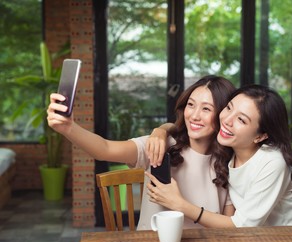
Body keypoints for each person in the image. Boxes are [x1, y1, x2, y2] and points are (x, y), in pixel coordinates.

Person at [47, 75, 236, 230]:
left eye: (206, 109)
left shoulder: (230, 162)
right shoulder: (160, 146)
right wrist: (69, 128)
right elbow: (104, 149)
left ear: (222, 115)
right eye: (191, 105)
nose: (194, 115)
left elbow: (229, 229)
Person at [146, 84, 292, 227]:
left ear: (261, 136)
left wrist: (180, 204)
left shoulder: (273, 161)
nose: (227, 120)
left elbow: (243, 226)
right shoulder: (228, 148)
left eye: (241, 120)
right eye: (228, 108)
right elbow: (179, 126)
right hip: (258, 241)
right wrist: (160, 131)